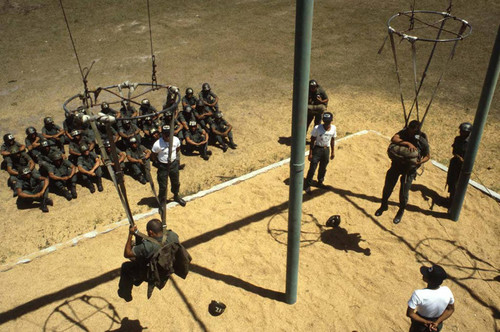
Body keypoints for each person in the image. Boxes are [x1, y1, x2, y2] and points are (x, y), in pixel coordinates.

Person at [374, 120, 430, 224]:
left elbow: (427, 156)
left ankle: (401, 210)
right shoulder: (404, 132)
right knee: (388, 186)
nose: (410, 132)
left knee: (404, 192)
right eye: (409, 130)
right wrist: (407, 143)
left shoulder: (422, 140)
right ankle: (383, 205)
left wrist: (420, 162)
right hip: (396, 165)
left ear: (417, 131)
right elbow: (394, 138)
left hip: (409, 170)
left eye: (412, 131)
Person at [118, 218, 179, 302]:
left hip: (151, 272)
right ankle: (137, 280)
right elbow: (155, 243)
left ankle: (125, 293)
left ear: (150, 232)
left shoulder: (148, 246)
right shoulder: (173, 236)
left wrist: (130, 234)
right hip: (165, 265)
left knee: (126, 266)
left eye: (148, 232)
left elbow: (127, 254)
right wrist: (138, 235)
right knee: (138, 250)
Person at [407, 265, 455, 332]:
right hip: (436, 326)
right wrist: (437, 322)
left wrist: (426, 322)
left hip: (420, 325)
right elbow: (450, 309)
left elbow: (410, 313)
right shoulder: (447, 291)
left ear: (428, 280)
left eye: (426, 275)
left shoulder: (419, 294)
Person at [151, 125, 186, 207]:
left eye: (169, 133)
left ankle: (176, 196)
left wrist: (174, 159)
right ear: (162, 134)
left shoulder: (176, 140)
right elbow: (153, 155)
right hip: (163, 166)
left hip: (173, 164)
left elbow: (177, 149)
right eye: (165, 134)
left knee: (176, 182)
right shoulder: (157, 144)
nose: (167, 136)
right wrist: (159, 162)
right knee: (163, 185)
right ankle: (162, 201)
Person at [304, 112, 336, 193]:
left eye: (328, 121)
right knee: (313, 167)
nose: (326, 123)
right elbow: (312, 140)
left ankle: (320, 182)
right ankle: (307, 185)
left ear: (331, 121)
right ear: (323, 121)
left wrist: (332, 152)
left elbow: (332, 140)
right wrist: (310, 153)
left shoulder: (333, 128)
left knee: (323, 167)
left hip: (326, 150)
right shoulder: (317, 128)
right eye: (325, 121)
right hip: (317, 149)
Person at [446, 122, 472, 205]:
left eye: (463, 131)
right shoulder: (457, 139)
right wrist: (458, 157)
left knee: (458, 184)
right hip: (455, 163)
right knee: (451, 181)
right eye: (461, 131)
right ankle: (450, 199)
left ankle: (455, 203)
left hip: (463, 167)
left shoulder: (471, 142)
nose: (461, 132)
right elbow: (454, 151)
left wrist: (464, 161)